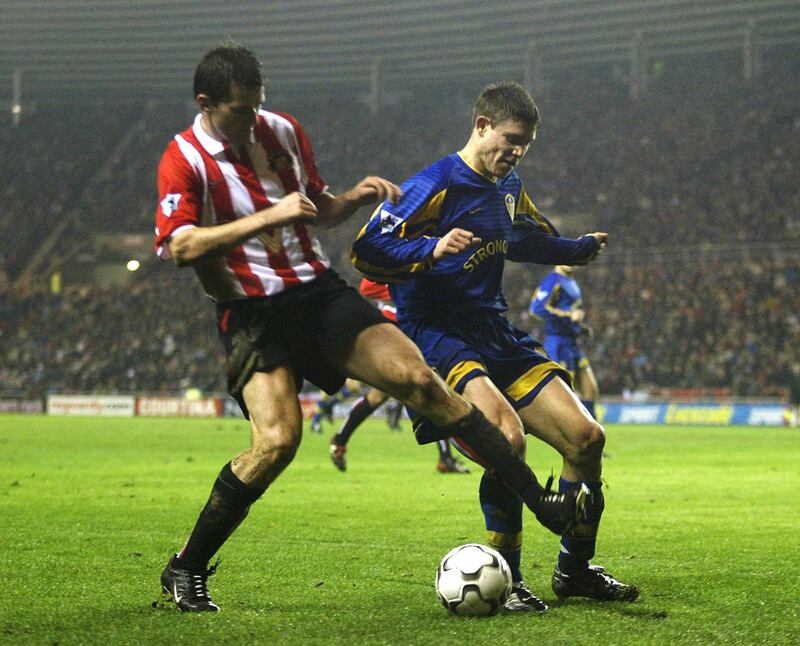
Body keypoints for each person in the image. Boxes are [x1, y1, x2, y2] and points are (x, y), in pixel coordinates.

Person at [154, 46, 591, 613]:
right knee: (278, 441)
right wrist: (270, 216)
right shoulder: (184, 158)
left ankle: (543, 505)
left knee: (421, 381)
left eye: (258, 106)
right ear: (206, 104)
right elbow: (177, 246)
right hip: (252, 311)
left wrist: (350, 200)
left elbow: (318, 209)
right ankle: (185, 568)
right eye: (241, 111)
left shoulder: (282, 131)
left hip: (316, 292)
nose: (253, 120)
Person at [352, 81, 638, 611]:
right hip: (438, 334)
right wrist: (430, 249)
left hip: (493, 330)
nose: (515, 152)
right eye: (509, 140)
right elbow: (366, 250)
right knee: (505, 438)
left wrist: (574, 250)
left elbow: (523, 237)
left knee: (586, 438)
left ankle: (575, 571)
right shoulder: (433, 184)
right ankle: (510, 579)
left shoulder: (508, 187)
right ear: (481, 125)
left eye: (524, 145)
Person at [329, 278, 470, 474]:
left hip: (408, 328)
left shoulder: (418, 259)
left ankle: (339, 441)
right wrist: (403, 289)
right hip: (393, 329)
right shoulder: (394, 258)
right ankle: (445, 457)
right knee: (428, 390)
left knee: (384, 395)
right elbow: (367, 287)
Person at [530, 265, 599, 420]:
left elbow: (569, 312)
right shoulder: (553, 280)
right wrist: (569, 315)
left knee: (590, 388)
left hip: (572, 342)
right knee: (566, 394)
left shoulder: (571, 282)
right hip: (558, 342)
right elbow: (536, 308)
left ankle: (593, 433)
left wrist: (579, 327)